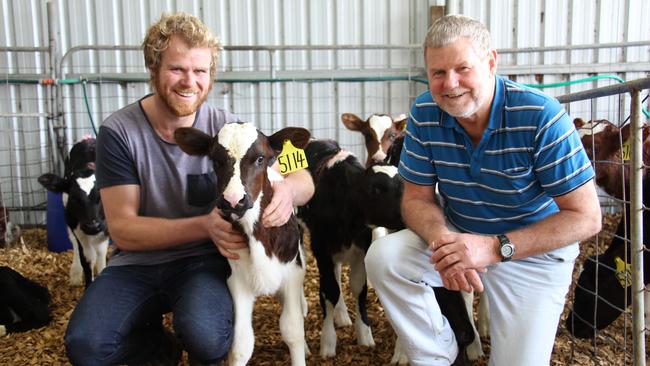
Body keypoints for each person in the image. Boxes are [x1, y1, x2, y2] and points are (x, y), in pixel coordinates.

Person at [64, 12, 314, 366]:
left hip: (202, 263)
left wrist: (289, 190)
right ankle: (159, 348)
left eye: (200, 71)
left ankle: (193, 339)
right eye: (177, 69)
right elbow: (123, 229)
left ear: (211, 76)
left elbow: (300, 171)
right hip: (136, 264)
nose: (189, 82)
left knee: (207, 337)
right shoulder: (119, 132)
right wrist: (203, 226)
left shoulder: (228, 128)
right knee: (86, 346)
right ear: (153, 68)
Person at [365, 14, 602, 366]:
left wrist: (494, 247)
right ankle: (438, 356)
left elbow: (587, 218)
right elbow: (416, 198)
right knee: (384, 258)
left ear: (491, 62)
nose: (450, 83)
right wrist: (443, 242)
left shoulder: (541, 116)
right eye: (438, 73)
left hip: (532, 252)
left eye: (463, 68)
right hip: (460, 232)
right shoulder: (425, 112)